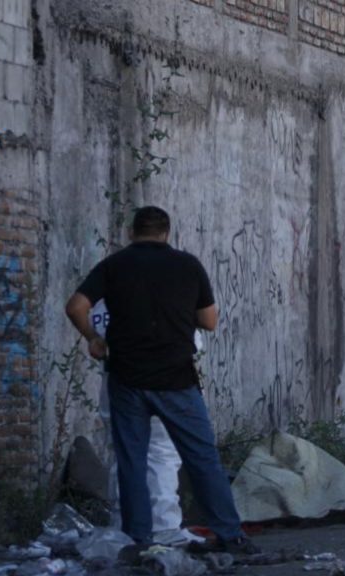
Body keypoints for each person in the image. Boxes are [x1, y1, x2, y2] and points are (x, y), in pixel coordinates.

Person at [65, 206, 257, 554]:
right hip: (176, 379)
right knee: (202, 458)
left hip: (126, 379)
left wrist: (94, 338)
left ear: (132, 232)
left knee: (132, 462)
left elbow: (76, 306)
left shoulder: (114, 265)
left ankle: (139, 540)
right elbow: (210, 322)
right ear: (167, 233)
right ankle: (229, 535)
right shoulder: (188, 265)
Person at [89, 299, 205, 547]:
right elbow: (194, 343)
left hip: (117, 382)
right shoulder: (169, 295)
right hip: (168, 382)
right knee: (163, 453)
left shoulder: (105, 302)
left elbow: (96, 335)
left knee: (124, 455)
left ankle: (125, 525)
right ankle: (164, 526)